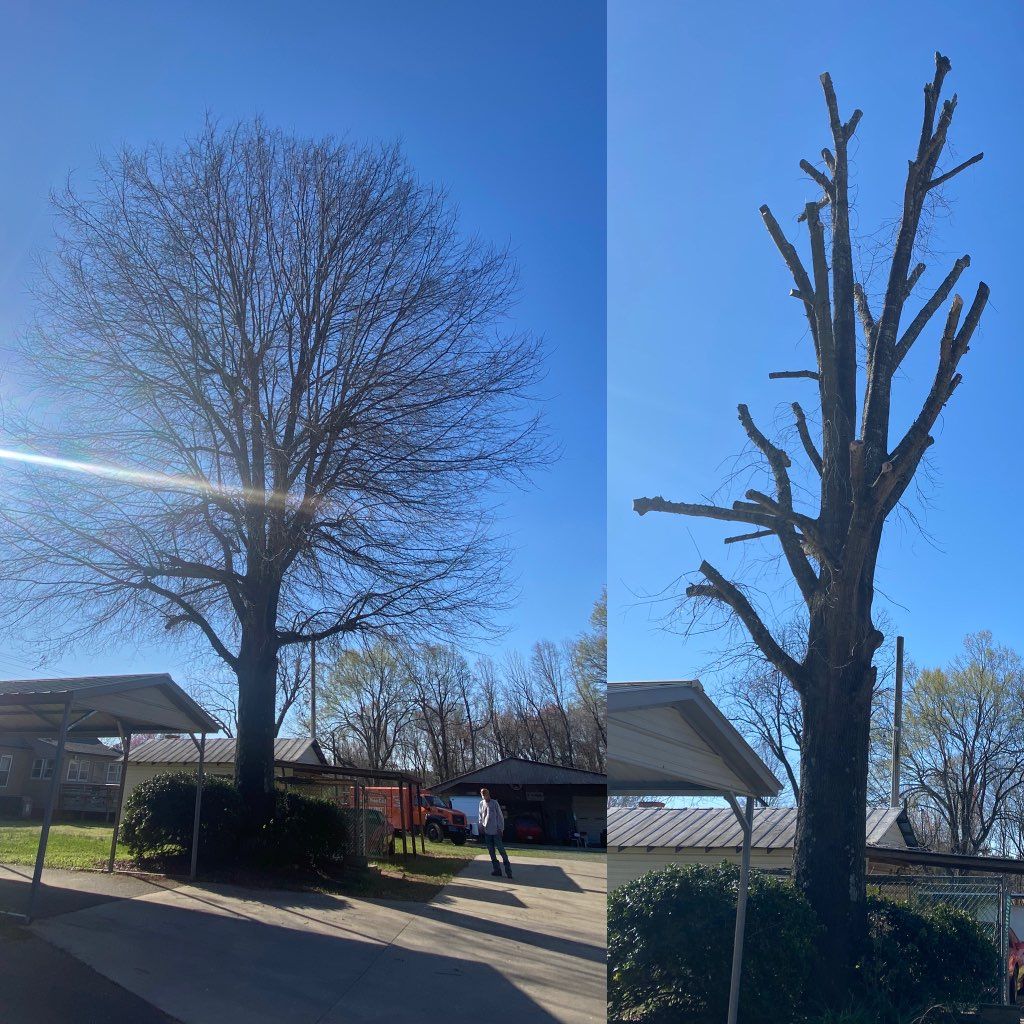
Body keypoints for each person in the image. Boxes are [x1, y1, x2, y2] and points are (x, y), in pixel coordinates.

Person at [478, 787, 512, 878]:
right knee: (491, 852)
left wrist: (501, 828)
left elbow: (500, 817)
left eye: (485, 794)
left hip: (496, 831)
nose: (484, 796)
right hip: (487, 831)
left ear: (488, 794)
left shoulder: (494, 803)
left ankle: (508, 871)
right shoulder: (481, 804)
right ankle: (497, 870)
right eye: (482, 794)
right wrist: (481, 825)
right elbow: (480, 816)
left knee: (501, 851)